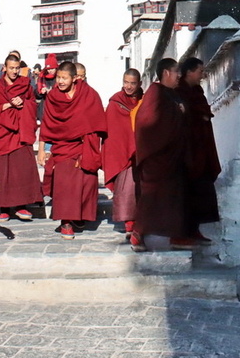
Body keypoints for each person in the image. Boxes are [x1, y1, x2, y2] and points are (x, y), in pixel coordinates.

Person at [38, 61, 107, 239]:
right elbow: (47, 123)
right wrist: (41, 149)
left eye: (64, 78)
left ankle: (79, 216)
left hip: (84, 145)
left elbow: (97, 118)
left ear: (74, 78)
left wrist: (91, 141)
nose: (59, 81)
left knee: (86, 183)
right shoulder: (53, 97)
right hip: (63, 147)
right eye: (58, 78)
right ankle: (65, 222)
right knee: (65, 185)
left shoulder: (88, 94)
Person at [133, 58, 190, 251]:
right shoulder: (155, 93)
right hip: (156, 156)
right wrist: (177, 112)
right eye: (176, 73)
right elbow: (146, 122)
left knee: (175, 196)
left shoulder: (171, 94)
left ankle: (176, 235)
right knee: (150, 197)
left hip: (172, 154)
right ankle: (137, 233)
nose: (179, 77)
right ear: (166, 72)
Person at [0, 54, 43, 222]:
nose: (14, 71)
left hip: (20, 132)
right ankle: (2, 207)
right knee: (2, 170)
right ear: (4, 68)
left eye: (17, 68)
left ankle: (22, 205)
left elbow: (33, 104)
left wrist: (24, 103)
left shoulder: (25, 85)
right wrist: (10, 104)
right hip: (3, 133)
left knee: (21, 169)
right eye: (11, 68)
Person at [178, 58, 221, 244]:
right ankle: (181, 233)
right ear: (189, 72)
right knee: (185, 193)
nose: (203, 75)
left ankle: (194, 230)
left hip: (201, 150)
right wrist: (198, 115)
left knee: (201, 192)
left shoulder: (196, 92)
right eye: (199, 71)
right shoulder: (178, 92)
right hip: (186, 151)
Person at [103, 69, 142, 239]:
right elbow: (112, 131)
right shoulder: (115, 103)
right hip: (123, 154)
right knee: (126, 190)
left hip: (142, 152)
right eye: (126, 82)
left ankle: (142, 224)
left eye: (133, 83)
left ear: (139, 84)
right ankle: (129, 225)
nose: (129, 86)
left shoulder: (144, 101)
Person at [36, 53, 58, 121]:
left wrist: (52, 92)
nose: (50, 71)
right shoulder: (42, 77)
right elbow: (37, 94)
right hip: (45, 106)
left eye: (52, 68)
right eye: (48, 69)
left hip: (56, 106)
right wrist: (40, 92)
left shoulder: (60, 77)